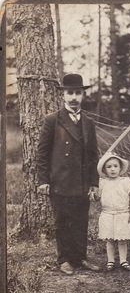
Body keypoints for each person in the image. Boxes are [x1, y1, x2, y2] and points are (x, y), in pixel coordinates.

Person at [37, 73, 100, 275]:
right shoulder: (53, 120)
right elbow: (42, 153)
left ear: (82, 95)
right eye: (70, 93)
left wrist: (94, 183)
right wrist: (43, 180)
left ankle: (80, 258)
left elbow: (93, 155)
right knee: (62, 221)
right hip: (60, 181)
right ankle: (64, 259)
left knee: (81, 220)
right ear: (63, 95)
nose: (73, 97)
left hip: (82, 182)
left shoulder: (88, 122)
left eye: (77, 93)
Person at [97, 152, 130, 271]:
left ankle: (123, 261)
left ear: (120, 168)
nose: (112, 169)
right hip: (108, 214)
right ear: (104, 170)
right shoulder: (102, 182)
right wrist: (93, 193)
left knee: (122, 239)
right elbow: (97, 196)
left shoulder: (125, 181)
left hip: (123, 213)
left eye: (115, 166)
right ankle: (110, 261)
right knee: (109, 239)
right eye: (109, 167)